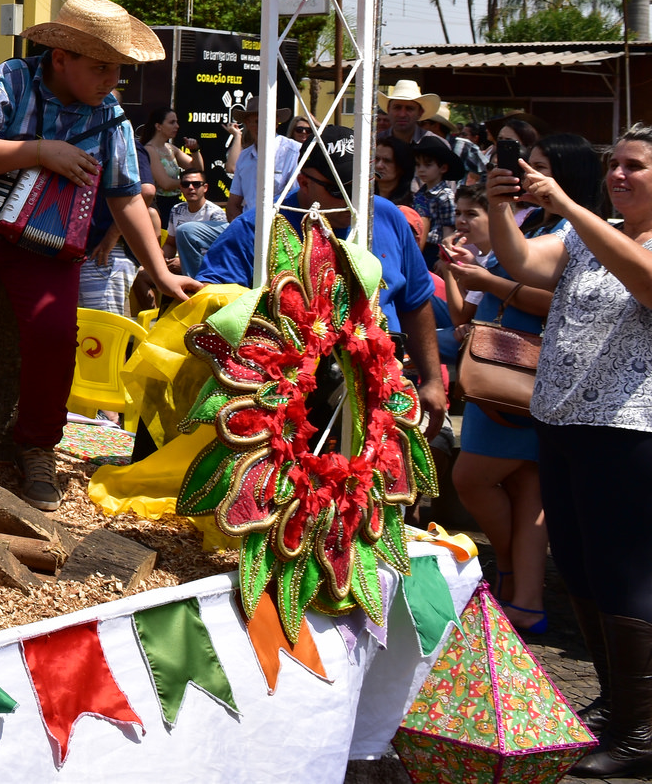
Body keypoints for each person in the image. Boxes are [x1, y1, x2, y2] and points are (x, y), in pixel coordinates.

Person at [0, 0, 201, 510]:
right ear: (61, 58)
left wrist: (160, 273)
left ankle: (36, 448)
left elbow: (125, 198)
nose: (110, 79)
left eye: (116, 68)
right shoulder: (10, 79)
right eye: (100, 67)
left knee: (56, 337)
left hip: (45, 249)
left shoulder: (114, 120)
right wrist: (41, 151)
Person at [487, 124, 652, 776]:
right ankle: (616, 708)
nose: (618, 173)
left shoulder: (599, 231)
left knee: (624, 573)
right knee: (580, 570)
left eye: (634, 166)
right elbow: (524, 262)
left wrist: (572, 205)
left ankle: (642, 736)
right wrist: (502, 205)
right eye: (614, 163)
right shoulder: (585, 236)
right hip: (562, 420)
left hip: (629, 430)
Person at [197, 128, 448, 437]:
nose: (351, 202)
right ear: (303, 181)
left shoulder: (386, 215)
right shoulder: (255, 230)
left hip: (384, 386)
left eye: (362, 188)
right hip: (287, 406)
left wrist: (433, 380)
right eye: (338, 190)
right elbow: (214, 307)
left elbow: (416, 300)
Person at [441, 178, 553, 635]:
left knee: (471, 478)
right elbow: (462, 316)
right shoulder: (509, 244)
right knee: (528, 489)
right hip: (499, 379)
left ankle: (509, 570)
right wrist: (462, 273)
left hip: (523, 376)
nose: (526, 179)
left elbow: (554, 304)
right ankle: (525, 595)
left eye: (541, 167)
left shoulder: (560, 237)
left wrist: (487, 281)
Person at [226, 103, 305, 219]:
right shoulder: (244, 157)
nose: (263, 126)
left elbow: (297, 199)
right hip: (248, 226)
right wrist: (241, 230)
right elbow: (232, 204)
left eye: (267, 120)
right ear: (247, 123)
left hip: (281, 227)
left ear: (276, 123)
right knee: (191, 229)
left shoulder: (294, 151)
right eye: (257, 121)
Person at [140, 107, 202, 223]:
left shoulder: (171, 148)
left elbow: (197, 170)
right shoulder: (149, 150)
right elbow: (166, 183)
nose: (177, 126)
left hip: (174, 204)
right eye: (172, 122)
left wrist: (195, 151)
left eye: (177, 122)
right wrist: (188, 183)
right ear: (158, 126)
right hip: (159, 206)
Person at [169, 169, 228, 273]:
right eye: (185, 184)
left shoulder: (216, 213)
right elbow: (170, 244)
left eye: (196, 184)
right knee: (142, 277)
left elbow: (220, 252)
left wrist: (184, 263)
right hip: (178, 264)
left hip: (206, 269)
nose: (191, 188)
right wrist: (163, 263)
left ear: (205, 188)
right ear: (181, 188)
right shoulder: (176, 210)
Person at [413, 132, 465, 239]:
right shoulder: (420, 193)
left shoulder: (445, 196)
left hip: (434, 248)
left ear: (443, 168)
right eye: (418, 165)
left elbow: (448, 229)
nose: (421, 169)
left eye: (428, 165)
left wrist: (445, 251)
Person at [422, 101, 486, 177]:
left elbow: (487, 173)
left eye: (422, 123)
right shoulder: (419, 147)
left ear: (436, 125)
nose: (417, 127)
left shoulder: (465, 147)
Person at [380, 79, 436, 146]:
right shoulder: (373, 143)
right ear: (388, 110)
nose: (402, 114)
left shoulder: (436, 146)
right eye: (397, 107)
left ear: (420, 112)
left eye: (409, 108)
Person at [375, 134, 417, 209]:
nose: (379, 166)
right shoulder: (362, 197)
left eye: (387, 161)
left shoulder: (414, 203)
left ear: (401, 166)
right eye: (377, 159)